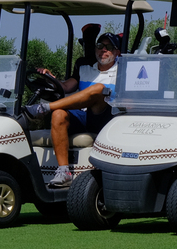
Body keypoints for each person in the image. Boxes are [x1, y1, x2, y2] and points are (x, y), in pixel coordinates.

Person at [25, 32, 122, 188]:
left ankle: (45, 108)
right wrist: (50, 78)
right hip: (83, 116)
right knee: (58, 114)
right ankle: (64, 172)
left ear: (117, 52)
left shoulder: (122, 70)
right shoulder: (84, 68)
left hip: (105, 118)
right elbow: (65, 87)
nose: (103, 50)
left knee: (99, 89)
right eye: (99, 46)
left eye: (108, 47)